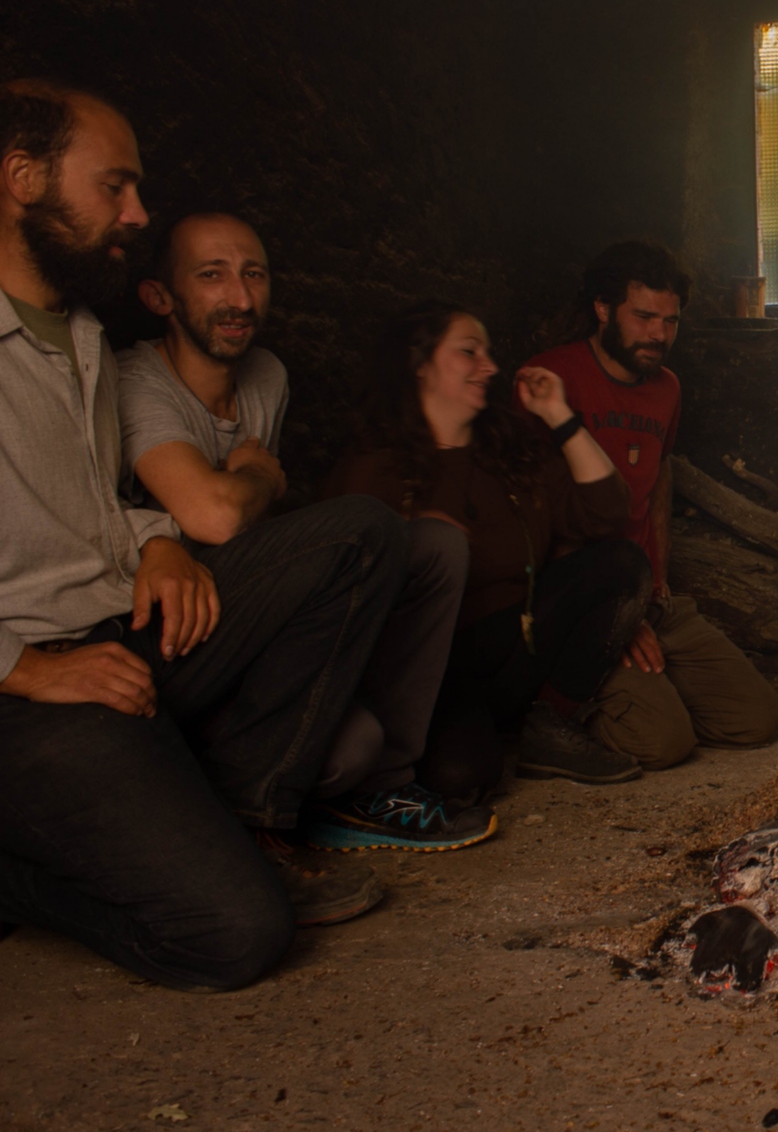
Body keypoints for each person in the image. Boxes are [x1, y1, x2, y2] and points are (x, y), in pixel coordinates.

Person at [0, 79, 408, 989]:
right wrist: (26, 666)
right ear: (23, 178)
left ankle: (251, 809)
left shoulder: (82, 335)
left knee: (361, 535)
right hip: (29, 687)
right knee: (232, 932)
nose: (136, 212)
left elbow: (94, 498)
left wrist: (156, 541)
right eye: (116, 186)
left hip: (124, 635)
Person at [119, 213, 492, 853]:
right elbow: (219, 514)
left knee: (433, 547)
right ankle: (230, 807)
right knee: (364, 525)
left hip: (245, 612)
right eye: (212, 275)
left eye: (253, 274)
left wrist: (251, 493)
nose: (239, 298)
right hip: (168, 640)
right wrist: (262, 478)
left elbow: (250, 534)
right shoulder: (135, 380)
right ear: (159, 297)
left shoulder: (266, 375)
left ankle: (384, 787)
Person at [328, 301, 644, 798]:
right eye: (469, 351)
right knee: (461, 780)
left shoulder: (509, 451)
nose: (490, 366)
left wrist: (559, 416)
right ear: (420, 362)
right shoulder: (374, 468)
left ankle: (550, 724)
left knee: (621, 563)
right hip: (436, 669)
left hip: (521, 645)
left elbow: (607, 511)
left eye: (489, 352)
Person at [523, 241, 778, 767]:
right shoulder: (548, 381)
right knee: (663, 744)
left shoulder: (667, 388)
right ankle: (558, 706)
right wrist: (615, 617)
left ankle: (657, 693)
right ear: (602, 309)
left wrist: (657, 578)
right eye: (643, 317)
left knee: (757, 719)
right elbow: (531, 523)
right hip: (585, 604)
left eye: (670, 321)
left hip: (650, 596)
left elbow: (660, 474)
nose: (658, 334)